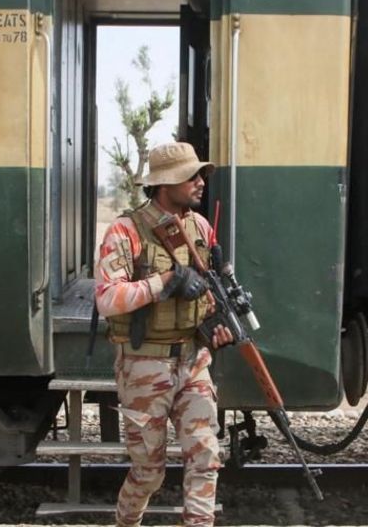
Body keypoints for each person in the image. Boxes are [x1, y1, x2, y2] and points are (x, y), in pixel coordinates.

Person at [94, 141, 235, 527]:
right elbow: (107, 298)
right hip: (144, 366)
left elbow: (207, 295)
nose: (200, 182)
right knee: (148, 473)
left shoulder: (200, 227)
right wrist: (166, 281)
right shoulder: (126, 230)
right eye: (190, 176)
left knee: (206, 458)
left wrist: (214, 328)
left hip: (193, 360)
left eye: (200, 174)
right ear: (164, 183)